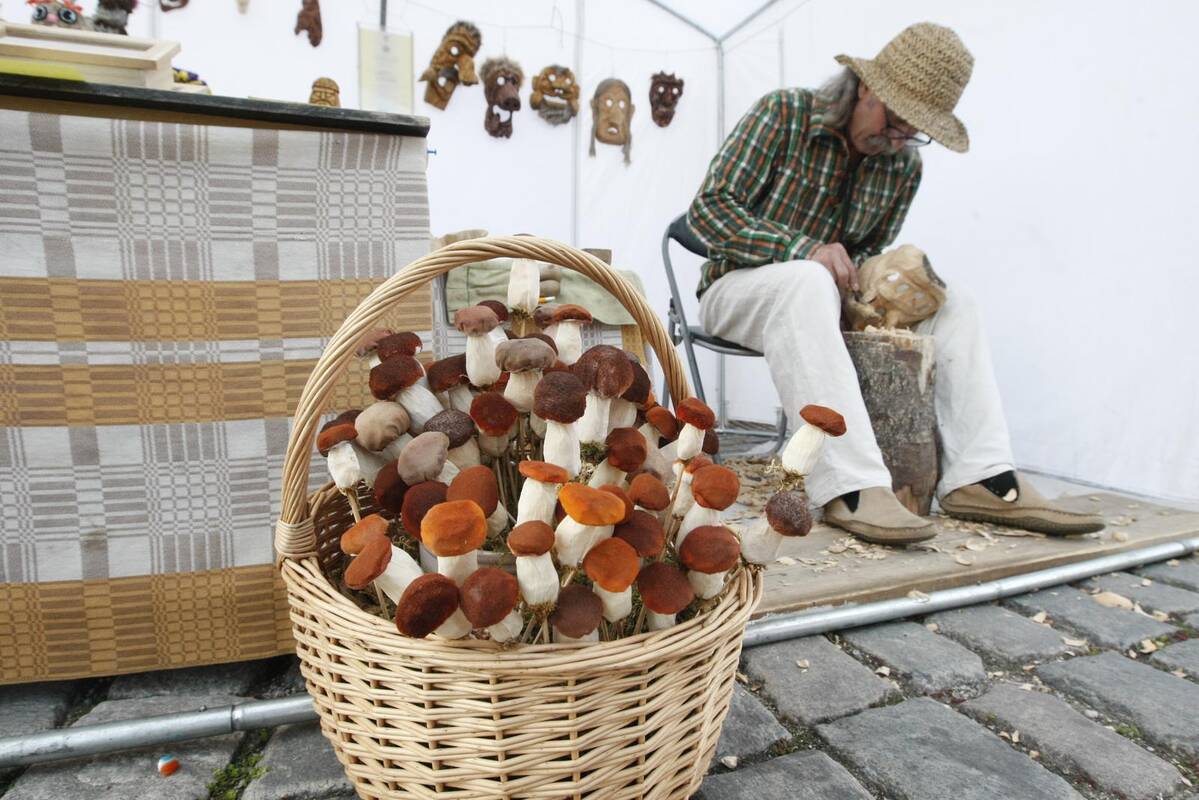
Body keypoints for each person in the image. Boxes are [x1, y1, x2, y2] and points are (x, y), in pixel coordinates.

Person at [686, 22, 1103, 544]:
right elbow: (708, 211)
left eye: (914, 131)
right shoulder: (785, 114)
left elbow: (867, 252)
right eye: (896, 120)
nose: (899, 139)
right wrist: (803, 249)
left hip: (823, 299)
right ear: (865, 86)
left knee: (954, 303)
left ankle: (982, 477)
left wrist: (888, 279)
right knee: (808, 279)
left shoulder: (903, 165)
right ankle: (849, 486)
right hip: (737, 288)